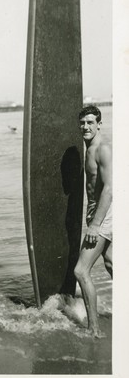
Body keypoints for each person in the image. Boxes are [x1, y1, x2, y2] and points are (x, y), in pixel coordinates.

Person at [74, 105, 112, 338]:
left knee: (81, 271)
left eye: (90, 122)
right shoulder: (89, 149)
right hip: (101, 213)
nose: (86, 127)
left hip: (105, 214)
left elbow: (109, 188)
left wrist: (95, 225)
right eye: (82, 123)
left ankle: (94, 330)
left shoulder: (102, 149)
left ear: (99, 124)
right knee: (111, 264)